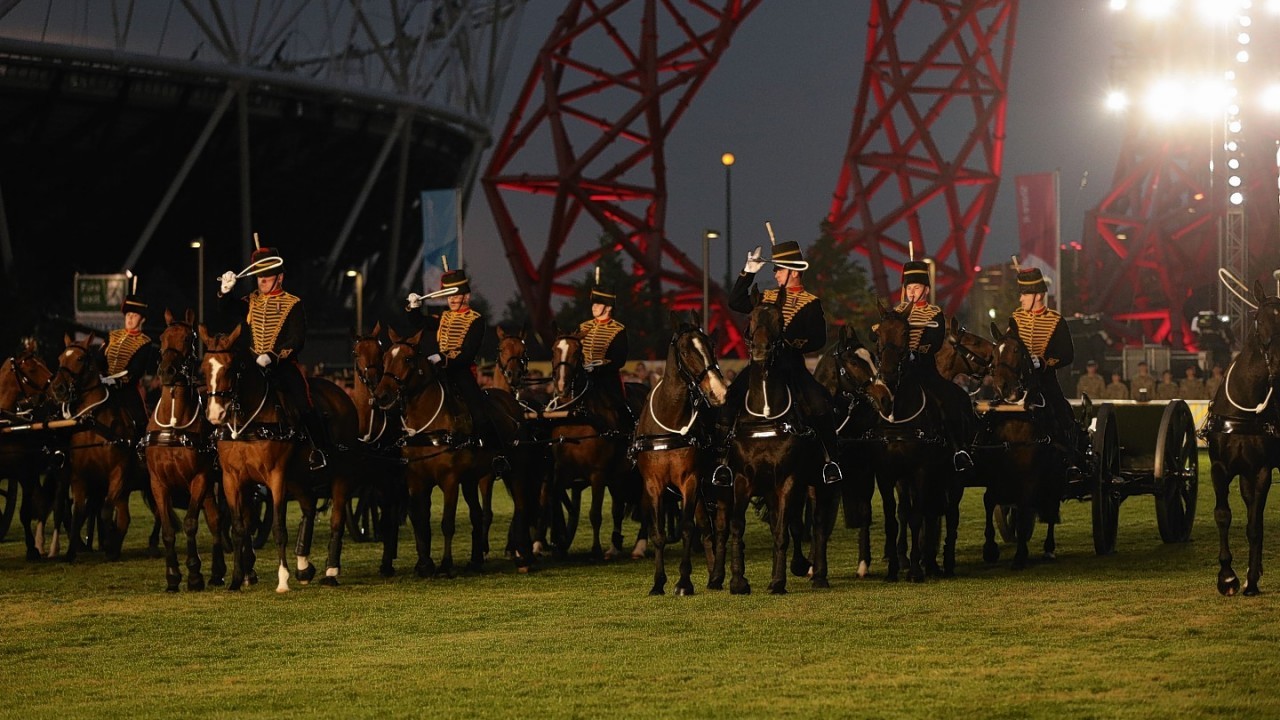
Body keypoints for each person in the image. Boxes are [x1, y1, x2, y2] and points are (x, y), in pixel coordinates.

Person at [713, 238, 841, 485]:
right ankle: (722, 462)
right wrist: (748, 272)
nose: (775, 273)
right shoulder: (766, 297)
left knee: (819, 402)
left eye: (779, 269)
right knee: (730, 401)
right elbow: (735, 302)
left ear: (793, 271)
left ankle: (829, 461)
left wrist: (793, 342)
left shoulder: (811, 302)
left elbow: (818, 338)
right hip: (760, 366)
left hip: (791, 366)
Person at [217, 244, 330, 469]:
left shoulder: (293, 303)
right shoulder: (251, 300)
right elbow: (226, 309)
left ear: (279, 277)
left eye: (267, 278)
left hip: (281, 365)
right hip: (251, 364)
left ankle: (319, 450)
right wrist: (225, 292)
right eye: (260, 278)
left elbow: (297, 339)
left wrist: (274, 356)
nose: (262, 282)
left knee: (303, 402)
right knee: (221, 390)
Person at [405, 265, 510, 460]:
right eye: (450, 296)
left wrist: (443, 358)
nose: (452, 299)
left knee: (478, 410)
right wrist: (414, 307)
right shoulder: (443, 317)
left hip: (460, 369)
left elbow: (468, 352)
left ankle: (493, 452)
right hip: (438, 369)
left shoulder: (476, 320)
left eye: (457, 295)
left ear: (466, 297)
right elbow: (419, 322)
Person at [888, 259, 974, 470]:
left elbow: (933, 341)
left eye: (916, 287)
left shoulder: (934, 313)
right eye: (908, 288)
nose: (911, 292)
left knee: (950, 400)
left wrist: (915, 351)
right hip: (898, 371)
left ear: (926, 289)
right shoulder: (896, 312)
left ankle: (958, 449)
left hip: (924, 370)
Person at [1008, 266, 1077, 452]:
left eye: (1024, 294)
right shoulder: (1016, 318)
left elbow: (1067, 354)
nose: (1020, 298)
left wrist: (1044, 362)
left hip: (1045, 380)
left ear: (1038, 296)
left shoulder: (1056, 321)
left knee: (1062, 414)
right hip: (1018, 382)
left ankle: (1070, 458)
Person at [573, 271, 633, 434]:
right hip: (583, 376)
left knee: (620, 406)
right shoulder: (583, 327)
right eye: (593, 304)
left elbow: (619, 359)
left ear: (608, 307)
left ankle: (625, 432)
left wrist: (600, 367)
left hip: (606, 377)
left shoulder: (618, 329)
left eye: (598, 305)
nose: (594, 307)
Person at [102, 285, 158, 438]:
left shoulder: (145, 342)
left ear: (142, 319)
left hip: (126, 387)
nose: (130, 318)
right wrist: (100, 376)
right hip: (103, 384)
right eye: (128, 315)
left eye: (134, 315)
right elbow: (100, 358)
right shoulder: (112, 336)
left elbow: (136, 369)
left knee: (140, 420)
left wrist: (117, 381)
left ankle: (140, 447)